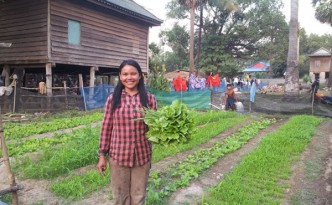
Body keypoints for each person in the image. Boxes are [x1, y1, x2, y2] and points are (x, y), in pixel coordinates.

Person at [97, 59, 157, 205]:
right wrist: (102, 155)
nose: (129, 77)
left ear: (140, 76)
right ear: (120, 76)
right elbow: (106, 127)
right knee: (120, 197)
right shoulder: (113, 99)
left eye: (133, 74)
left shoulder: (149, 99)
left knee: (139, 196)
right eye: (125, 74)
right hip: (118, 155)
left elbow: (156, 128)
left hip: (142, 156)